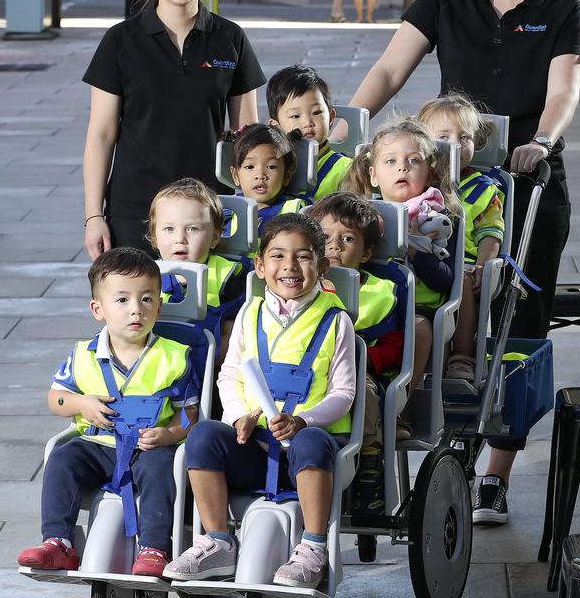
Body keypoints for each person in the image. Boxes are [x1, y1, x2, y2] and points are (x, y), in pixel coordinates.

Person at [349, 0, 580, 526]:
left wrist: (542, 140)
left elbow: (563, 91)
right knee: (435, 297)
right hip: (450, 187)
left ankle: (495, 474)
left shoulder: (561, 7)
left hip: (530, 182)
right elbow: (388, 70)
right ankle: (423, 422)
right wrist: (345, 126)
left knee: (518, 323)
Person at [164, 213, 355, 588]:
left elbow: (344, 394)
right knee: (202, 436)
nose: (290, 266)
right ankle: (217, 541)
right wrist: (238, 418)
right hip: (252, 448)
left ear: (323, 264)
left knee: (313, 440)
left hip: (308, 457)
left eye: (303, 256)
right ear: (260, 266)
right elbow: (229, 375)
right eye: (278, 256)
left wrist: (304, 421)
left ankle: (314, 547)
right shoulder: (248, 314)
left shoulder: (336, 322)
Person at [82, 0, 265, 258]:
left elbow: (247, 133)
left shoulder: (230, 39)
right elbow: (101, 134)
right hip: (134, 212)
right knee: (135, 313)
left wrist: (253, 207)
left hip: (208, 215)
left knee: (208, 313)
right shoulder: (120, 41)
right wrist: (93, 216)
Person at [17, 248, 199, 577]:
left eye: (146, 299)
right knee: (63, 457)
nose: (136, 310)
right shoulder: (83, 355)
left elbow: (190, 413)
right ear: (98, 309)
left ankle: (154, 547)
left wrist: (170, 434)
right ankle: (59, 542)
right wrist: (81, 403)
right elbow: (55, 398)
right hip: (97, 445)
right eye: (122, 300)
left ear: (159, 305)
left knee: (161, 467)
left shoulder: (174, 357)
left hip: (147, 448)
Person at [343, 121, 462, 407]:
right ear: (372, 175)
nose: (402, 168)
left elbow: (446, 279)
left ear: (429, 172)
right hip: (373, 306)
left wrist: (413, 246)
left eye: (413, 161)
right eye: (391, 161)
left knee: (420, 329)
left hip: (418, 307)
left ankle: (400, 405)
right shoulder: (359, 215)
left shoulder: (438, 218)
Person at [309, 191, 406, 514]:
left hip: (362, 374)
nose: (334, 246)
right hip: (308, 374)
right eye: (325, 238)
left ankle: (369, 461)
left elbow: (395, 346)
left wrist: (365, 360)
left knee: (363, 392)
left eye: (347, 239)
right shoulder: (303, 285)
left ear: (365, 253)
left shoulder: (382, 291)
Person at [414, 94, 506, 382]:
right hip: (424, 256)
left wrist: (482, 263)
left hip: (463, 263)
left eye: (463, 137)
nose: (455, 144)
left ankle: (463, 355)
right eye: (444, 136)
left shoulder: (483, 190)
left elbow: (491, 232)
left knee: (461, 281)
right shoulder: (418, 181)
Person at [148, 178, 247, 357]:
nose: (180, 238)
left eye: (192, 229)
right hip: (161, 363)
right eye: (169, 229)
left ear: (215, 237)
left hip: (212, 364)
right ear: (154, 238)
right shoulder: (146, 277)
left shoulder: (231, 276)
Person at [267, 64, 353, 203]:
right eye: (295, 116)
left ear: (331, 118)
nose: (308, 122)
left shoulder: (346, 169)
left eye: (317, 112)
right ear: (276, 127)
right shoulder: (269, 164)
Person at [228, 123, 305, 229]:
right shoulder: (225, 210)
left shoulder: (296, 211)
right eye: (250, 167)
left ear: (287, 176)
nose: (260, 175)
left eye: (271, 167)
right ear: (236, 175)